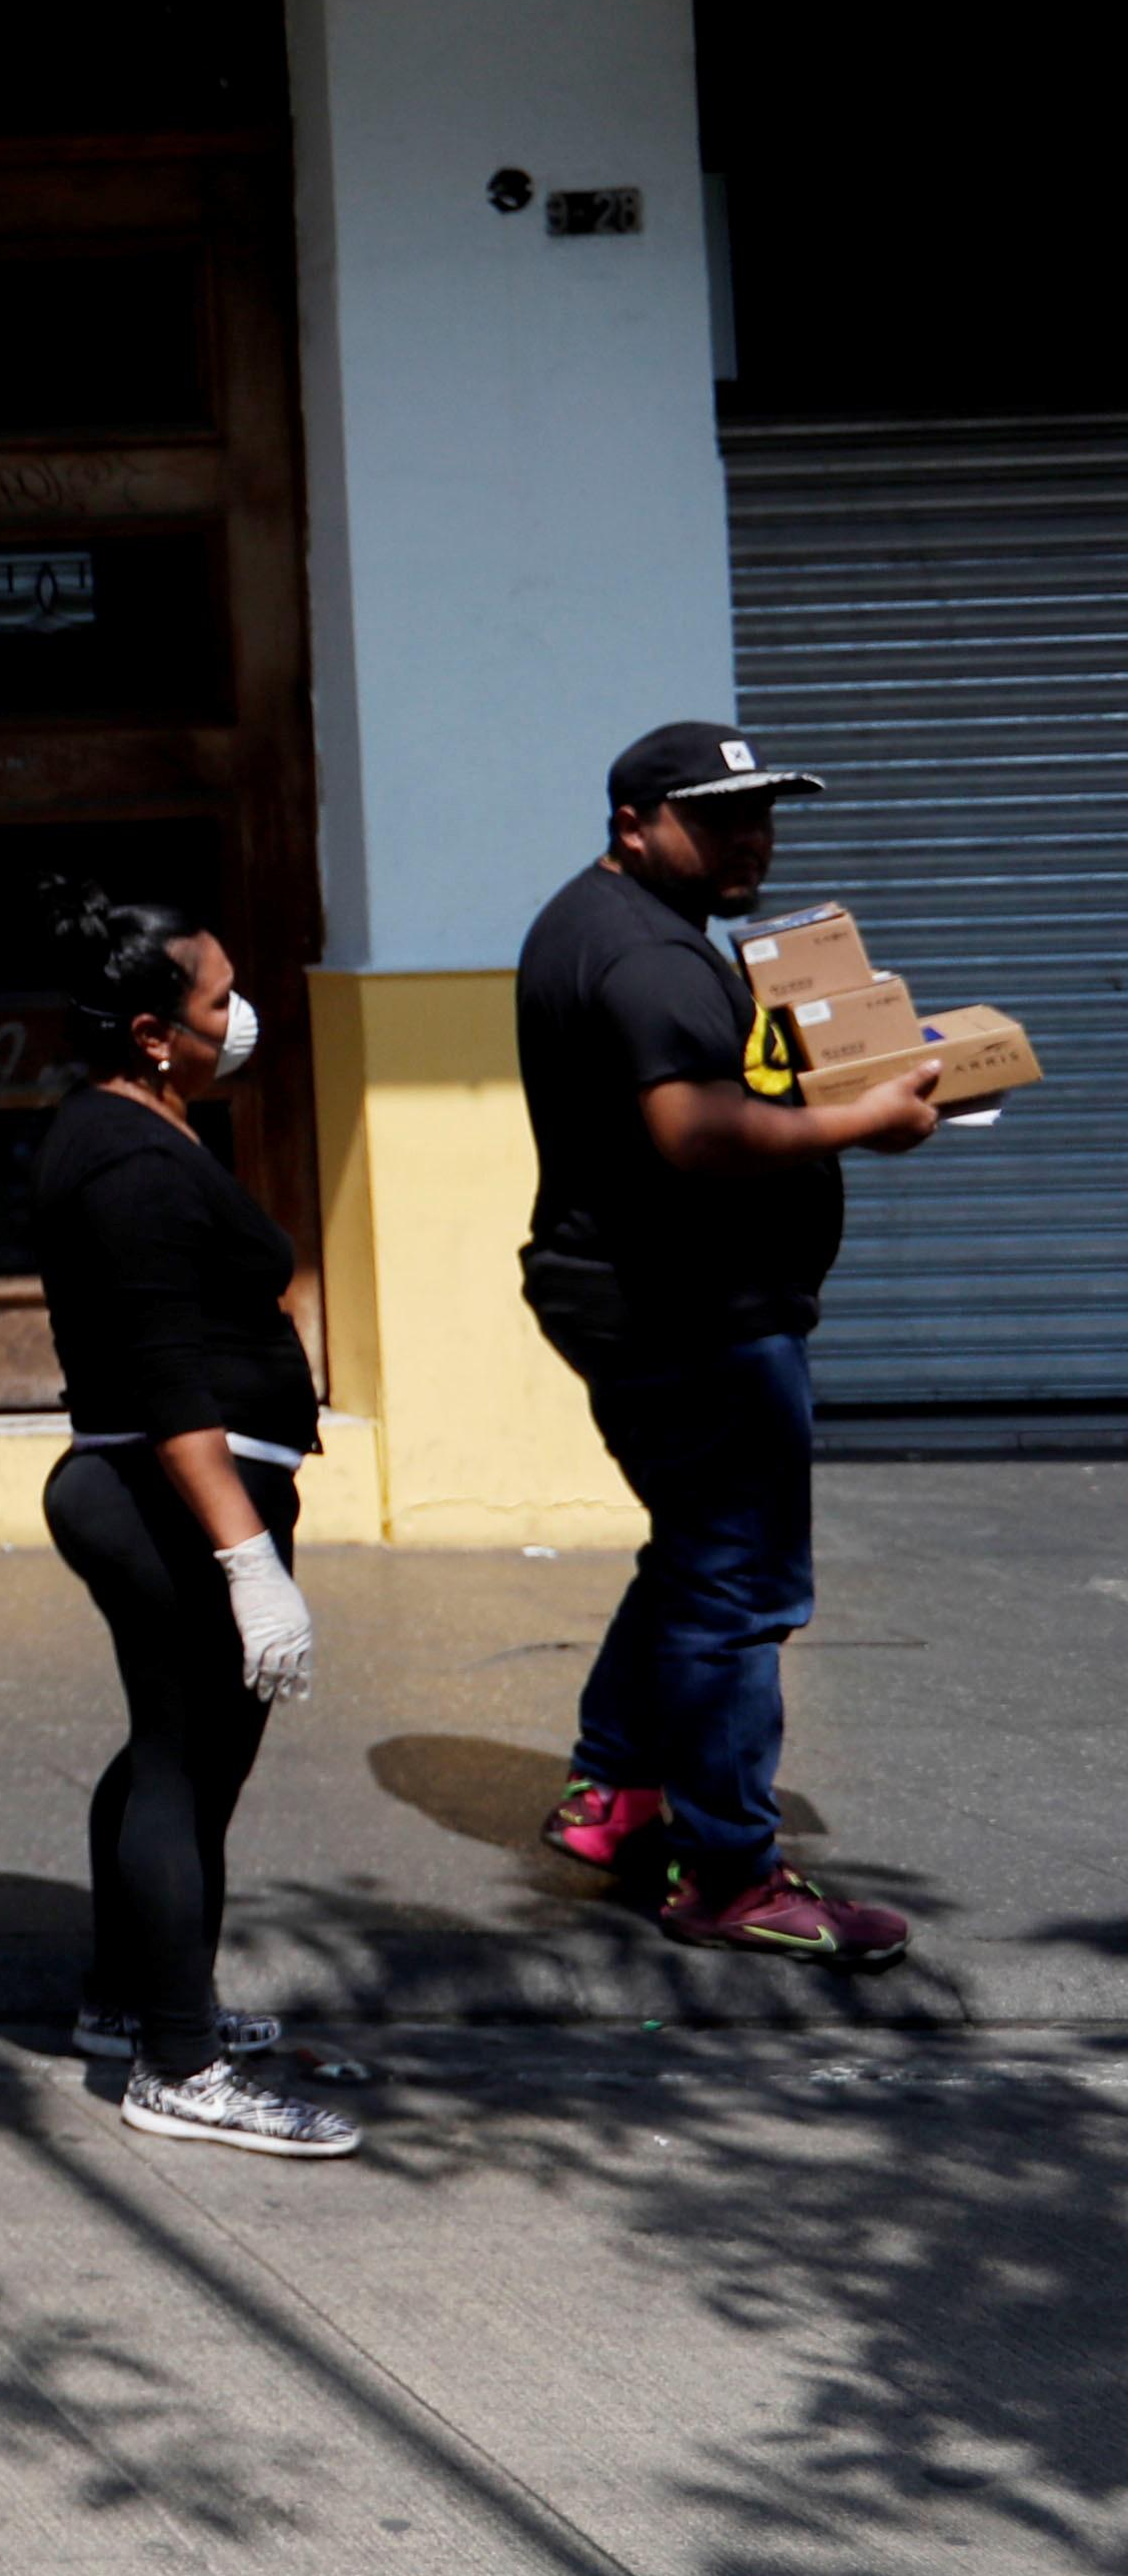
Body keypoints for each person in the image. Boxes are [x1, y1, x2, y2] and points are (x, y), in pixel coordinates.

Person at [516, 721, 938, 1968]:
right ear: (635, 825)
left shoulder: (615, 929)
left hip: (657, 1296)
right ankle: (731, 1873)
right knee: (742, 1588)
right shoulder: (643, 956)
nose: (750, 837)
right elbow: (693, 1129)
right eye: (718, 817)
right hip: (687, 1310)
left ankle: (617, 1795)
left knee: (698, 1553)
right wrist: (866, 1118)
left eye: (761, 814)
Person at [29, 881, 354, 2157]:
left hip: (169, 1492)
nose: (242, 1014)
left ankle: (139, 2000)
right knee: (185, 1761)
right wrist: (248, 1561)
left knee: (174, 1752)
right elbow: (167, 1381)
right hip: (165, 1498)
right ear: (154, 1031)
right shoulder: (123, 1159)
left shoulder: (148, 1124)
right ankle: (179, 2064)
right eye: (220, 997)